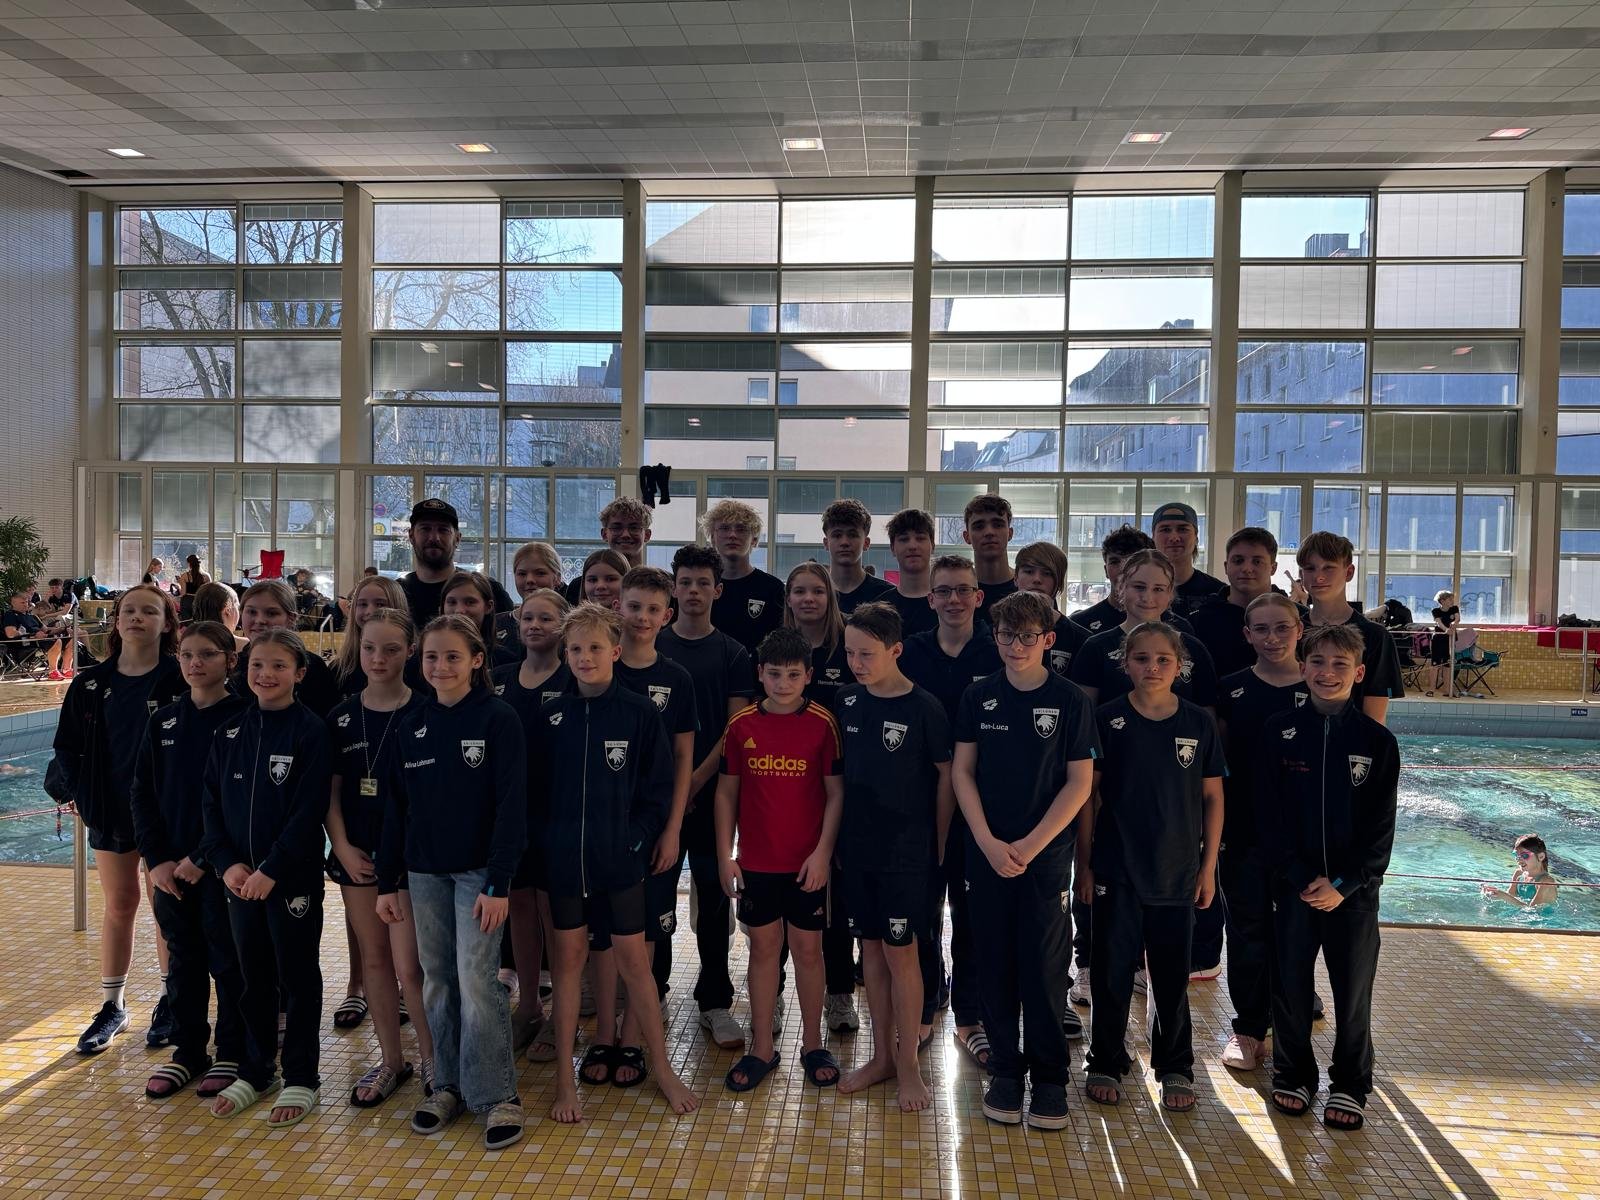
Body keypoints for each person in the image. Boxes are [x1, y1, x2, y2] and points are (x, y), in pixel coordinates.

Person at [531, 603, 699, 1123]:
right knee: (568, 966)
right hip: (566, 865)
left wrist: (636, 839)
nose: (585, 657)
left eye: (595, 648)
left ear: (616, 652)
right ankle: (565, 1081)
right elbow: (534, 792)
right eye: (576, 649)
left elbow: (657, 788)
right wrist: (548, 844)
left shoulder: (639, 713)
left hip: (621, 862)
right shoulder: (551, 716)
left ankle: (663, 1068)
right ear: (566, 654)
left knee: (635, 963)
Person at [377, 615, 528, 1149]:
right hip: (424, 873)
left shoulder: (498, 719)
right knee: (437, 979)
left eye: (453, 657)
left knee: (477, 979)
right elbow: (395, 809)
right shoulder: (410, 723)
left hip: (479, 873)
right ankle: (447, 1084)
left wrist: (500, 882)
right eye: (432, 657)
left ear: (477, 660)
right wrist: (387, 881)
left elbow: (512, 805)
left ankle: (496, 1094)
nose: (440, 666)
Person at [952, 590, 1097, 1130]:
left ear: (1048, 640)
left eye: (1028, 637)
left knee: (1044, 967)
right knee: (993, 962)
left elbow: (1079, 783)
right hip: (988, 854)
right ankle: (1006, 1072)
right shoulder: (979, 696)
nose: (1016, 646)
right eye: (1007, 635)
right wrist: (987, 841)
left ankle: (1051, 1078)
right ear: (995, 637)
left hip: (1046, 857)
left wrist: (1033, 846)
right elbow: (962, 772)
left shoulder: (1070, 700)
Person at [1259, 622, 1399, 1132]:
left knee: (1352, 993)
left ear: (1359, 673)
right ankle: (1293, 1072)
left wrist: (1344, 884)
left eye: (1341, 664)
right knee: (1290, 987)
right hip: (1293, 888)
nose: (1327, 672)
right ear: (1303, 668)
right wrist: (1300, 877)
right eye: (1317, 662)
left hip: (1353, 895)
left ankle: (1350, 1083)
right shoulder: (1279, 731)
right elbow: (1268, 817)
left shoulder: (1377, 741)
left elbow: (1381, 829)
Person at [1080, 622, 1225, 1115]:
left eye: (1163, 659)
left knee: (1169, 975)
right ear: (1126, 664)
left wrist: (1208, 867)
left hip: (1176, 870)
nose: (1152, 667)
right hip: (1116, 868)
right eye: (1141, 658)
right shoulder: (1107, 719)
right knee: (1110, 972)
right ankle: (1106, 1058)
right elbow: (1088, 798)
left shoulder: (1197, 723)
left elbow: (1213, 797)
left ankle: (1175, 1064)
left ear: (1179, 666)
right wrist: (1085, 864)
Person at [48, 582, 188, 1054]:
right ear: (116, 620)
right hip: (110, 810)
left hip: (165, 813)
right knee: (120, 903)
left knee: (166, 904)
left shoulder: (178, 678)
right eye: (128, 610)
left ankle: (172, 999)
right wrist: (83, 798)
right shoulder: (91, 684)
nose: (136, 618)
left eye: (149, 611)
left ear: (166, 623)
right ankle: (113, 1005)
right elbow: (67, 747)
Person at [200, 628, 331, 1127]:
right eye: (257, 664)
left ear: (299, 673)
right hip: (239, 881)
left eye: (278, 665)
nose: (266, 674)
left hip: (290, 880)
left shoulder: (310, 731)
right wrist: (227, 864)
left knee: (297, 976)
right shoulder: (229, 733)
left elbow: (308, 812)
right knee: (252, 977)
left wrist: (271, 869)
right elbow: (211, 806)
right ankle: (257, 1071)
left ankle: (301, 1075)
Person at [834, 603, 953, 1112]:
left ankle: (908, 1066)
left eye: (867, 654)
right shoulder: (846, 702)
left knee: (902, 955)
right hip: (857, 851)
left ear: (896, 650)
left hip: (907, 854)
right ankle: (881, 1057)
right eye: (850, 653)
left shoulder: (924, 708)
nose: (856, 663)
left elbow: (946, 778)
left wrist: (939, 844)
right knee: (871, 954)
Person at [716, 626, 845, 1093]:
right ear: (760, 674)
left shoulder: (823, 724)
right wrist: (725, 855)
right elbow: (726, 794)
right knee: (763, 950)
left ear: (809, 676)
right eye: (774, 674)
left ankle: (812, 1043)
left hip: (806, 864)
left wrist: (823, 854)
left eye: (793, 674)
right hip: (757, 863)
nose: (783, 683)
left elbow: (836, 794)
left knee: (809, 951)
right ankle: (762, 1047)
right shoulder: (741, 725)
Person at [129, 620, 250, 1102]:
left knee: (228, 958)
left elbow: (240, 802)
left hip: (221, 865)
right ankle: (188, 1049)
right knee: (183, 959)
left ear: (230, 661)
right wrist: (156, 859)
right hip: (169, 870)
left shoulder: (244, 719)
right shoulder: (164, 721)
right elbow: (142, 793)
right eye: (186, 655)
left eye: (207, 654)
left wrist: (203, 857)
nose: (195, 663)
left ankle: (231, 1048)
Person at [325, 606, 435, 1108]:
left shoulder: (426, 711)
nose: (378, 658)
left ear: (410, 651)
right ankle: (392, 1060)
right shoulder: (342, 717)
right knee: (374, 959)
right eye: (369, 648)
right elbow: (330, 795)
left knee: (410, 966)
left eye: (391, 649)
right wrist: (341, 846)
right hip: (358, 858)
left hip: (409, 860)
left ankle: (432, 1058)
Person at [899, 554, 1001, 1069]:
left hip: (980, 804)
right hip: (917, 803)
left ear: (979, 597)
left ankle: (970, 1017)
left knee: (970, 914)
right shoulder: (911, 651)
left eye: (963, 590)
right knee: (921, 911)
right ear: (930, 598)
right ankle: (923, 1007)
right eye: (944, 591)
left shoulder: (997, 650)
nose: (954, 599)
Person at [657, 545, 757, 1051]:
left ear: (718, 590)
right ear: (673, 588)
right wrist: (670, 789)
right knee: (655, 899)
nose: (693, 591)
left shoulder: (733, 654)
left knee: (715, 900)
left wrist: (692, 783)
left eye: (703, 583)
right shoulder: (650, 646)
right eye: (685, 582)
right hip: (656, 800)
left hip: (710, 796)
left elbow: (735, 729)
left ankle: (715, 1000)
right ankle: (651, 992)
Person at [604, 566, 698, 1073]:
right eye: (634, 606)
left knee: (645, 931)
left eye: (652, 609)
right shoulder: (600, 665)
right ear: (618, 606)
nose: (642, 617)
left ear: (667, 615)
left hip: (655, 823)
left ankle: (634, 1033)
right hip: (603, 823)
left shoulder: (676, 678)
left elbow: (684, 758)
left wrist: (673, 827)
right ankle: (607, 1031)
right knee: (606, 933)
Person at [1214, 594, 1310, 1072]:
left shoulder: (1319, 687)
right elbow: (1216, 769)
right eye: (1262, 629)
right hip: (1243, 831)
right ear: (1247, 635)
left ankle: (1290, 1032)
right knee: (1247, 931)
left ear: (1299, 630)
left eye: (1282, 627)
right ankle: (1249, 1029)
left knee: (1295, 935)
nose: (1273, 638)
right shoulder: (1230, 690)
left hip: (1302, 838)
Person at [492, 587, 572, 1061]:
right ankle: (528, 1006)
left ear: (563, 626)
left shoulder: (573, 676)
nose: (535, 626)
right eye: (528, 618)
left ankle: (561, 1013)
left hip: (557, 813)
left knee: (553, 913)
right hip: (513, 812)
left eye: (546, 618)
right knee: (520, 907)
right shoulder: (500, 678)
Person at [782, 561, 859, 1030]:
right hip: (785, 782)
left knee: (835, 897)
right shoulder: (778, 647)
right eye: (799, 591)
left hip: (838, 783)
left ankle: (840, 991)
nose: (808, 599)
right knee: (779, 891)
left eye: (817, 591)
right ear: (788, 598)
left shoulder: (847, 646)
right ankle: (773, 991)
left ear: (830, 597)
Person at [1068, 550, 1216, 709]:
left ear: (1170, 593)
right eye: (1139, 587)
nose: (1147, 598)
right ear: (1122, 587)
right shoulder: (1096, 648)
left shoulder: (1192, 648)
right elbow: (1084, 716)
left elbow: (1207, 717)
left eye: (1158, 589)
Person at [1295, 531, 1405, 723]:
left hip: (1351, 739)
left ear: (1349, 572)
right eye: (1310, 568)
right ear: (1301, 575)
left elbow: (1375, 721)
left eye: (1328, 568)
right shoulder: (1291, 632)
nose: (1318, 577)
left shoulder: (1375, 636)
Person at [397, 497, 515, 627]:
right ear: (411, 536)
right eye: (425, 529)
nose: (434, 538)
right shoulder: (395, 594)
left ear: (457, 538)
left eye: (443, 530)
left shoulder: (490, 591)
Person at [233, 580, 341, 717]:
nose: (260, 620)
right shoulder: (233, 664)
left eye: (271, 613)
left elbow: (326, 718)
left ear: (291, 618)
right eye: (252, 612)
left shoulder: (313, 667)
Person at [1188, 527, 1282, 680]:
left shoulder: (1297, 618)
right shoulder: (1200, 621)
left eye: (1257, 561)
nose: (1246, 568)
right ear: (1226, 567)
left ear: (1273, 568)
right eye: (1238, 561)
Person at [704, 498, 785, 655]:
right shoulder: (702, 586)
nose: (732, 535)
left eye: (741, 529)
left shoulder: (772, 589)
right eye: (724, 528)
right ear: (712, 537)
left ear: (754, 540)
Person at [1013, 541, 1090, 678]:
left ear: (1059, 582)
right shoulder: (996, 633)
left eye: (1047, 573)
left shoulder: (1081, 640)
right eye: (1029, 571)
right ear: (1015, 578)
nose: (1037, 579)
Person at [1071, 525, 1156, 634]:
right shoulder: (1080, 624)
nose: (1122, 569)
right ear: (1106, 570)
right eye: (1114, 562)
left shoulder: (1171, 624)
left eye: (1131, 561)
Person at [334, 574, 410, 695]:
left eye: (380, 604)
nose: (370, 612)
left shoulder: (419, 669)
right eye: (363, 604)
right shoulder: (340, 668)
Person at [822, 498, 895, 613]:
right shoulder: (813, 595)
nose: (844, 542)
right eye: (837, 535)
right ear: (826, 543)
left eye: (852, 535)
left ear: (866, 543)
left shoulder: (887, 596)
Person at [1151, 502, 1225, 615]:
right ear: (1153, 537)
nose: (1174, 538)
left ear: (1196, 537)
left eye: (1182, 529)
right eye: (1165, 529)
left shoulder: (1217, 592)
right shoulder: (1139, 591)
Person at [441, 571, 521, 670]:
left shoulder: (504, 660)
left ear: (488, 606)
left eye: (470, 602)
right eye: (452, 602)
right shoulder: (428, 654)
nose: (459, 610)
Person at [495, 540, 563, 651]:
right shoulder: (495, 624)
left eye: (540, 573)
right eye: (522, 574)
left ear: (557, 578)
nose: (530, 580)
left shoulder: (571, 625)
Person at [963, 495, 1017, 624]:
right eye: (979, 526)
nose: (989, 532)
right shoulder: (958, 592)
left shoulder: (1030, 588)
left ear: (1010, 533)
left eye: (997, 525)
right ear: (967, 537)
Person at [884, 508, 938, 638]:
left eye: (920, 538)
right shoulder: (881, 608)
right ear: (892, 548)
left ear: (933, 545)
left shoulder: (949, 603)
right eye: (904, 539)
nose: (912, 546)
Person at [1482, 834, 1559, 910]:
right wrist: (1495, 894)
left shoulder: (1547, 881)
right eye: (1516, 855)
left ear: (1541, 857)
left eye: (1524, 855)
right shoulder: (1519, 874)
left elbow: (1533, 910)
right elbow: (1510, 897)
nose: (1518, 859)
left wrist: (1504, 896)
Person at [5, 587, 67, 679]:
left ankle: (66, 669)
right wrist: (32, 635)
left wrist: (62, 629)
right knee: (56, 640)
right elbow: (10, 633)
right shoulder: (10, 615)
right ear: (13, 603)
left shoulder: (32, 616)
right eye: (22, 603)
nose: (25, 605)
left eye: (26, 602)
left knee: (69, 639)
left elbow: (46, 630)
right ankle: (53, 672)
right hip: (25, 643)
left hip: (40, 639)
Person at [192, 581, 248, 651]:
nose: (239, 612)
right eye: (237, 606)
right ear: (228, 610)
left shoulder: (185, 645)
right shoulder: (249, 647)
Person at [1429, 589, 1461, 695]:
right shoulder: (1435, 611)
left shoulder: (1454, 608)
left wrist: (1454, 623)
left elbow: (1457, 618)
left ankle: (1447, 690)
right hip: (1438, 639)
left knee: (1447, 665)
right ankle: (1432, 689)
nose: (1452, 601)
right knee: (1435, 665)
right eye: (1450, 599)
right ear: (1442, 601)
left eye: (1452, 599)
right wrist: (1446, 629)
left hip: (1450, 639)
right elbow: (1439, 623)